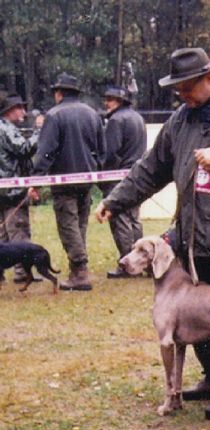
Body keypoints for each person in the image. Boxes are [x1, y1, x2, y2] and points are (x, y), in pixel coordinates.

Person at [95, 48, 210, 420]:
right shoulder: (181, 119)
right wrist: (116, 201)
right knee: (198, 318)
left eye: (186, 88)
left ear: (209, 78)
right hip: (191, 241)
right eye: (178, 89)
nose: (181, 95)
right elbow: (152, 168)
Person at [31, 73, 105, 291]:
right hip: (88, 178)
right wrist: (97, 171)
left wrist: (35, 178)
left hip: (64, 180)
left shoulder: (54, 115)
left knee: (68, 225)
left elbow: (46, 152)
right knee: (79, 224)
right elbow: (102, 150)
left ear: (59, 93)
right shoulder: (92, 114)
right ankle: (78, 268)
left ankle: (80, 271)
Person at [101, 86, 147, 278]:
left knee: (120, 219)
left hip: (119, 177)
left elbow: (110, 152)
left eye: (110, 100)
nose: (106, 103)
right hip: (137, 174)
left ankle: (127, 264)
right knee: (134, 219)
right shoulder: (138, 118)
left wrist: (103, 172)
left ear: (119, 102)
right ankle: (143, 261)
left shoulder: (116, 120)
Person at [0, 92, 40, 283]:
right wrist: (40, 131)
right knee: (18, 229)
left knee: (3, 234)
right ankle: (22, 271)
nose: (23, 112)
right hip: (12, 190)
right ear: (9, 111)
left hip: (3, 189)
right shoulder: (5, 129)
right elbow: (24, 149)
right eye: (20, 108)